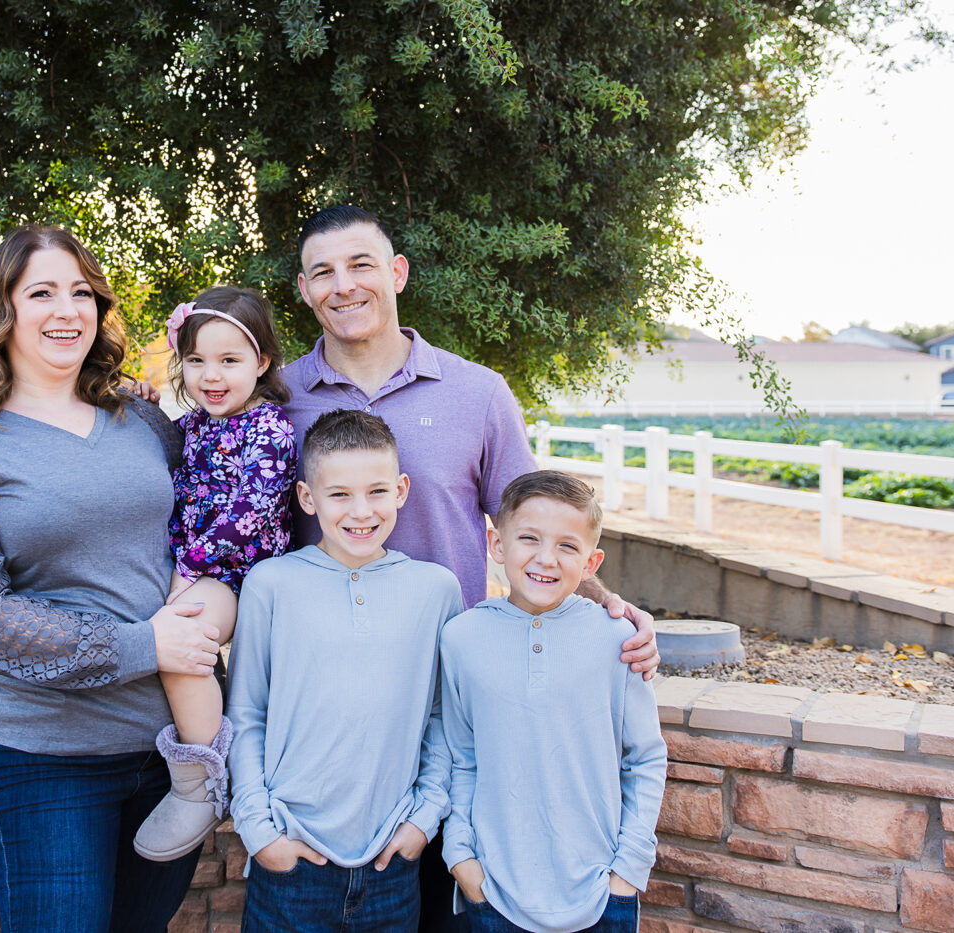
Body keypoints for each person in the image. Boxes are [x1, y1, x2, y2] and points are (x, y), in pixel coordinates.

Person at [282, 204, 661, 930]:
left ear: (396, 273)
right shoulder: (278, 397)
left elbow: (539, 528)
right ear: (304, 289)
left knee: (442, 897)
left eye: (361, 264)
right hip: (342, 712)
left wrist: (610, 601)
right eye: (323, 272)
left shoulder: (478, 393)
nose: (344, 285)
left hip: (459, 687)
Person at [0, 224, 222, 932]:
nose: (67, 309)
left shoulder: (144, 422)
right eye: (41, 291)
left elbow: (206, 530)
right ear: (2, 310)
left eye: (82, 292)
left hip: (171, 753)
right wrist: (145, 645)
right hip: (52, 760)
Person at [228, 409, 462, 933]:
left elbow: (444, 718)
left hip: (392, 861)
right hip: (290, 857)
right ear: (307, 498)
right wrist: (259, 830)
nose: (361, 511)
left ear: (401, 489)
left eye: (377, 491)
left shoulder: (437, 589)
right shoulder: (271, 584)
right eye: (339, 495)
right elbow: (245, 712)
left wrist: (424, 819)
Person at [439, 471, 667, 933]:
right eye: (528, 539)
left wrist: (627, 873)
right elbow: (461, 758)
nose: (546, 558)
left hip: (601, 894)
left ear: (591, 561)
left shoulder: (617, 639)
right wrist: (461, 857)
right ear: (497, 545)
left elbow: (644, 757)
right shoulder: (461, 637)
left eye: (567, 546)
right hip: (493, 893)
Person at [133, 286, 298, 861]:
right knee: (168, 631)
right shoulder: (194, 426)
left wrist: (187, 567)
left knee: (186, 635)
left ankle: (198, 785)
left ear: (263, 362)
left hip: (243, 576)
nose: (211, 375)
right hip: (201, 570)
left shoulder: (269, 429)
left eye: (229, 360)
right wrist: (141, 402)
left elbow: (246, 517)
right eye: (196, 360)